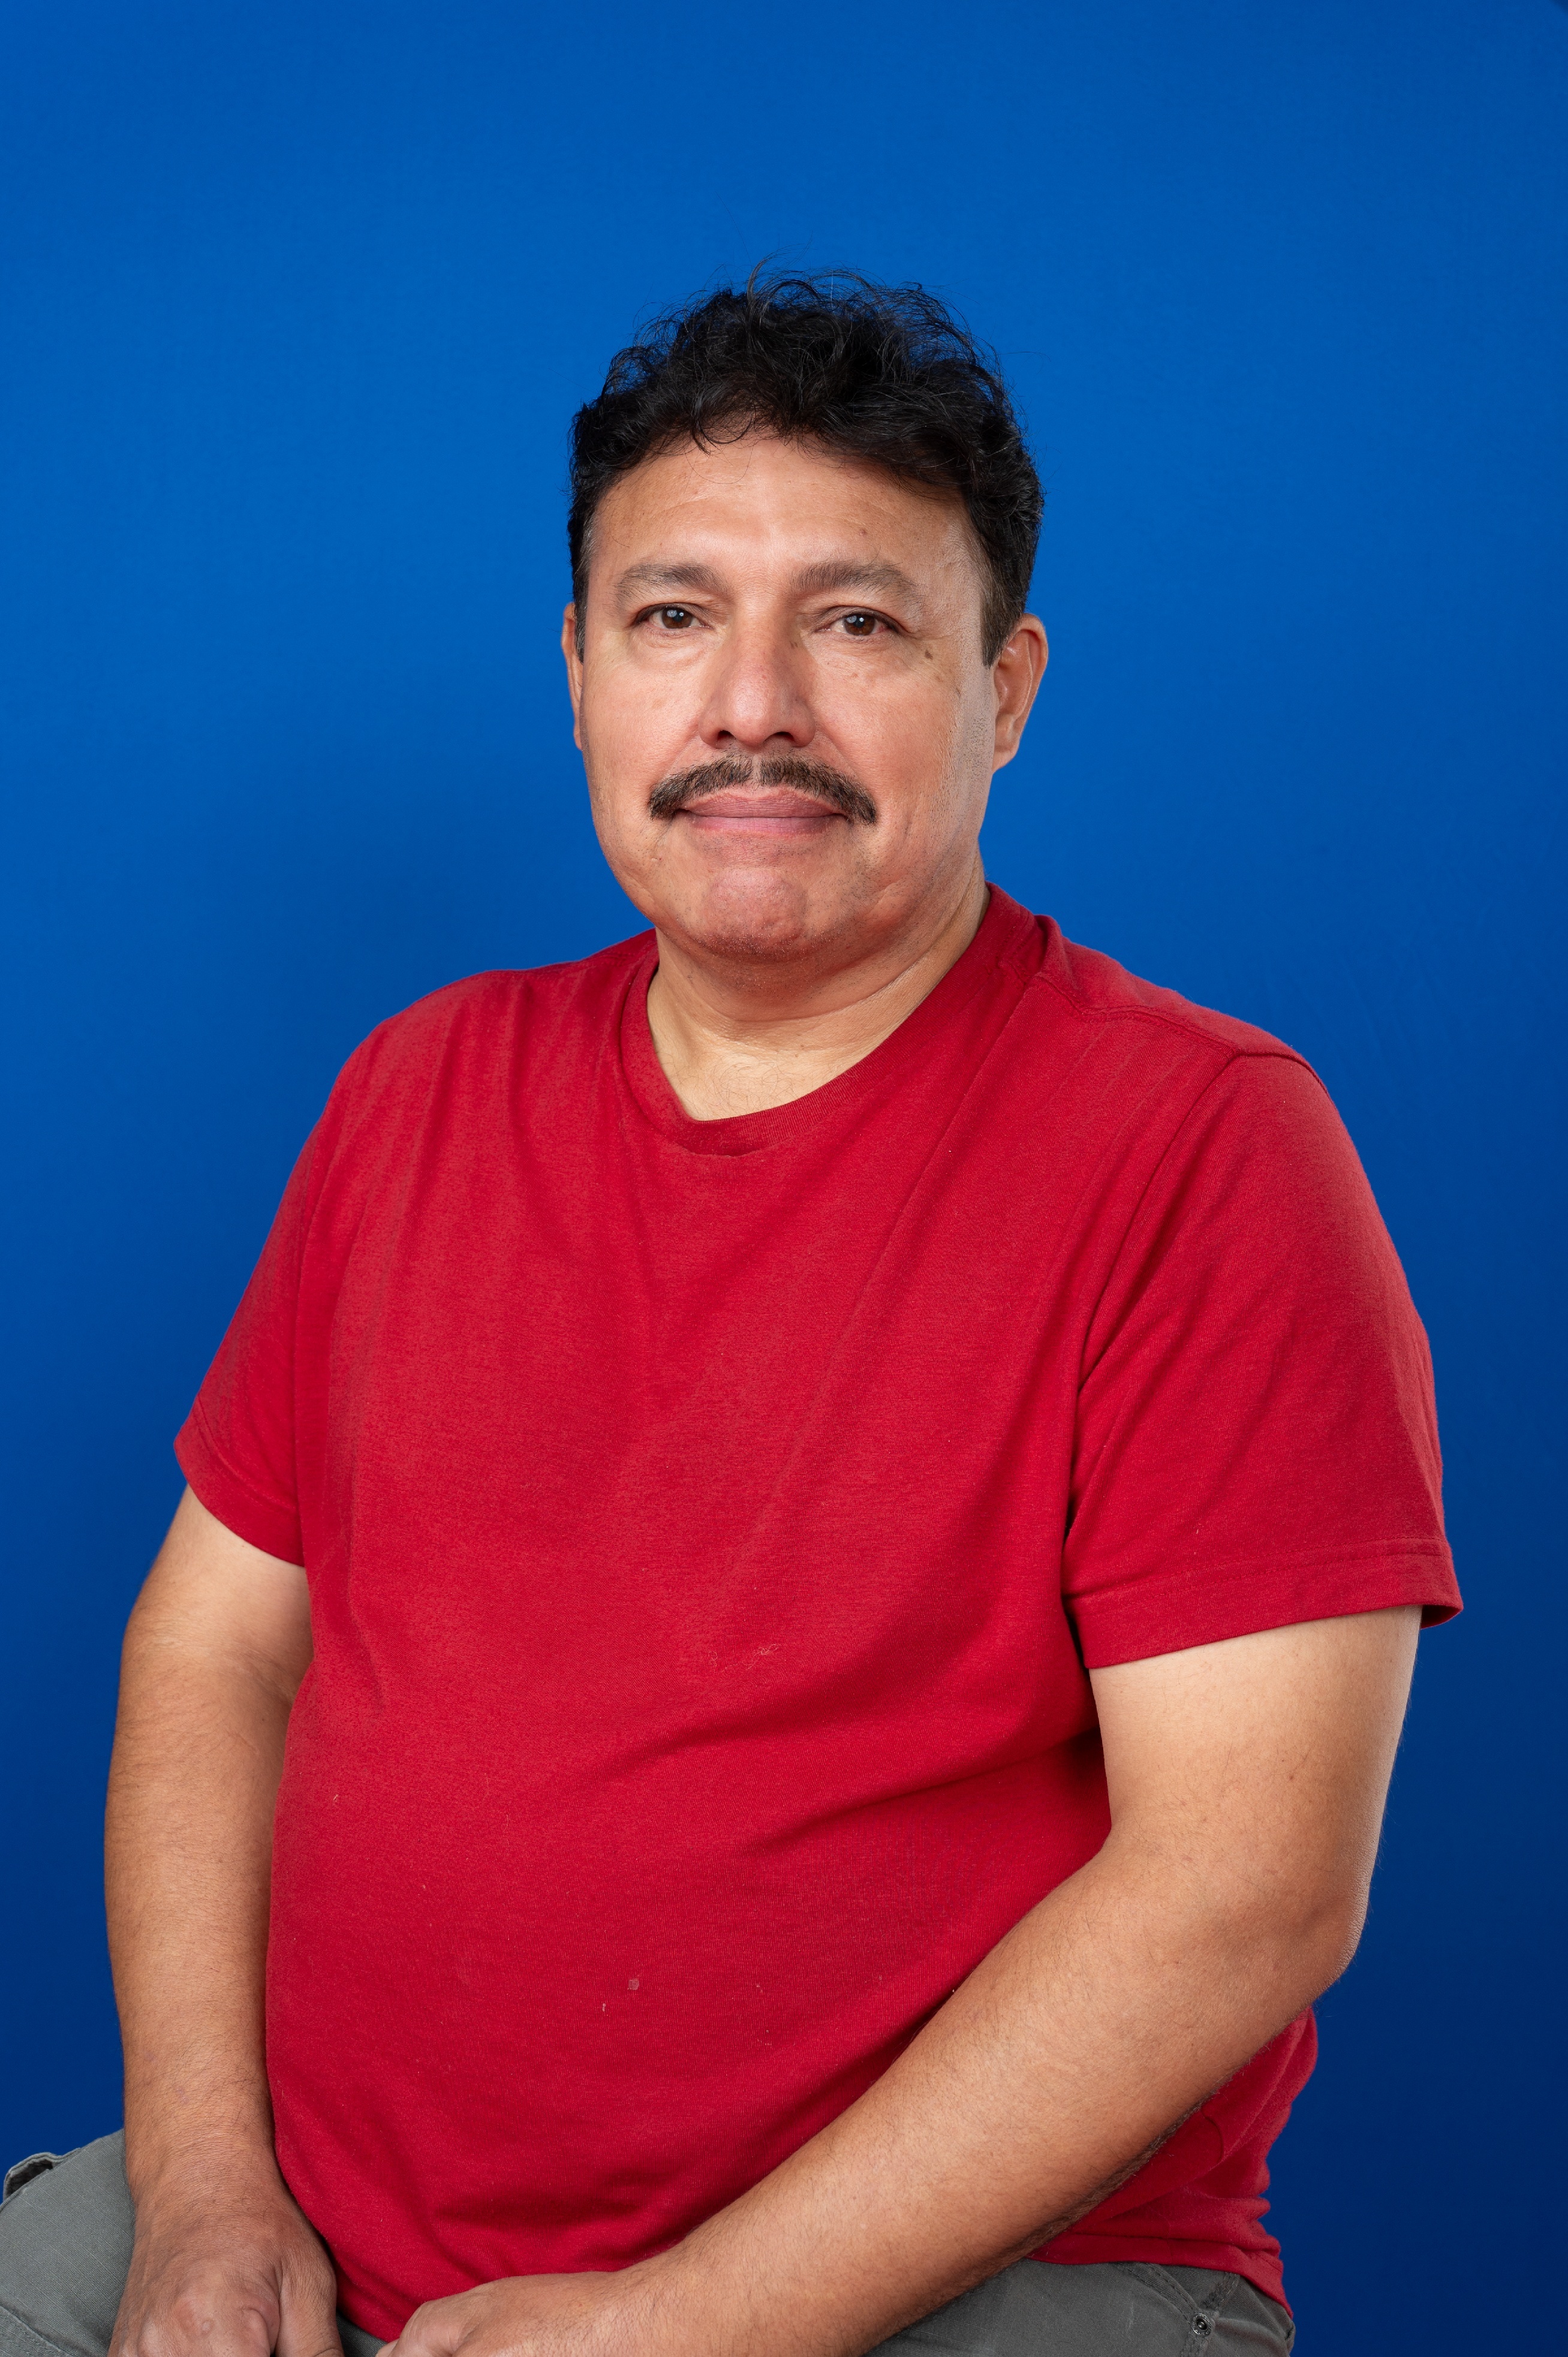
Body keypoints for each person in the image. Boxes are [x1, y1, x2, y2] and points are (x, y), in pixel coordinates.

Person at [0, 272, 1459, 2357]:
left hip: (951, 2289)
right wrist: (207, 2186)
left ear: (1007, 686)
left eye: (856, 622)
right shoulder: (419, 1087)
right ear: (581, 673)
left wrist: (684, 2323)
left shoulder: (1205, 1150)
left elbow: (1254, 1885)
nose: (751, 704)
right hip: (312, 2236)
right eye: (675, 616)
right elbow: (216, 1649)